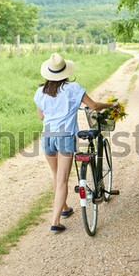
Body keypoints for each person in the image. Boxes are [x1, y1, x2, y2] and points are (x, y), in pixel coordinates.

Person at [34, 52, 117, 233]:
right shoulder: (73, 88)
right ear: (65, 72)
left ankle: (64, 209)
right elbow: (94, 106)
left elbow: (41, 116)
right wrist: (112, 105)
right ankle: (55, 221)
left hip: (47, 135)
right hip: (64, 136)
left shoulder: (40, 91)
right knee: (63, 178)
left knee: (56, 176)